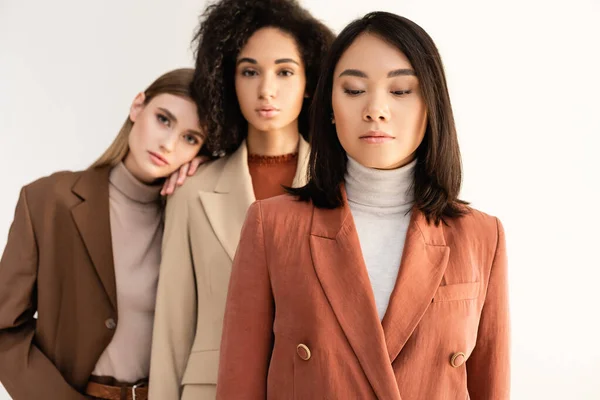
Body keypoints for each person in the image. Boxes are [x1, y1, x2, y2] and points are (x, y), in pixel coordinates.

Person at [217, 11, 510, 400]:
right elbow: (239, 388)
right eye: (354, 90)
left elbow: (492, 388)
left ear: (431, 106)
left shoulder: (481, 235)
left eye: (401, 91)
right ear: (331, 110)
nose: (375, 108)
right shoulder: (272, 225)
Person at [148, 1, 334, 399]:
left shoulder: (338, 187)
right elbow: (172, 326)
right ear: (227, 81)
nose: (266, 89)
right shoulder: (192, 190)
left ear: (310, 83)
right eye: (249, 71)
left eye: (285, 71)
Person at [0, 68, 206, 400]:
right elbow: (4, 328)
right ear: (138, 106)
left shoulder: (190, 217)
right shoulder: (49, 201)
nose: (169, 144)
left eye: (190, 138)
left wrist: (209, 177)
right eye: (164, 120)